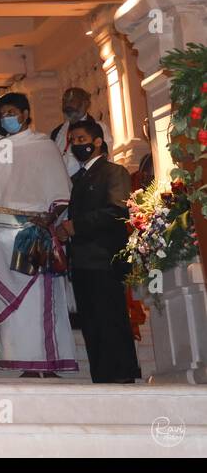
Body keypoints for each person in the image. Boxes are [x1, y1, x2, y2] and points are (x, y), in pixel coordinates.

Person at [0, 93, 77, 376]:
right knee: (17, 308)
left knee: (42, 299)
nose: (7, 117)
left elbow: (60, 191)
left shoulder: (44, 145)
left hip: (37, 234)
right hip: (5, 236)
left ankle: (48, 361)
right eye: (3, 112)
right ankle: (22, 360)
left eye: (12, 111)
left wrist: (47, 222)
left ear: (26, 113)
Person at [59, 120, 141, 383]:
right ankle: (102, 376)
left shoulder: (113, 172)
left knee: (111, 320)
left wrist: (76, 227)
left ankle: (122, 374)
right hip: (82, 262)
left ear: (97, 141)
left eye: (82, 138)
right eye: (73, 140)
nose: (76, 144)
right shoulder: (77, 178)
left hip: (105, 259)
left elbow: (117, 210)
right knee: (92, 324)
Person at [51, 87, 113, 177]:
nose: (67, 105)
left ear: (86, 104)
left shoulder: (100, 128)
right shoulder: (57, 133)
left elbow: (105, 160)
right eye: (64, 101)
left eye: (72, 100)